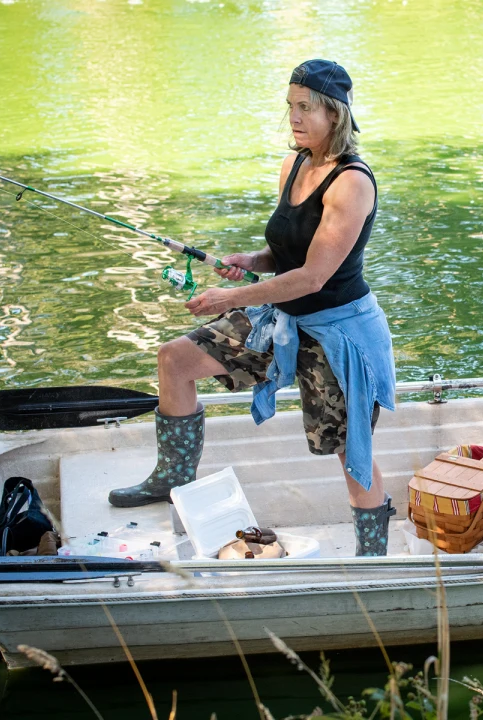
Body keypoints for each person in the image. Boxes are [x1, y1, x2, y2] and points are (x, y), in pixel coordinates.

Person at [108, 60, 397, 556]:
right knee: (175, 359)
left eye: (305, 107)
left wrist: (231, 297)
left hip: (339, 333)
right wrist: (251, 261)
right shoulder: (296, 165)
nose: (294, 117)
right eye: (290, 106)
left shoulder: (352, 182)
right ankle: (170, 478)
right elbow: (288, 256)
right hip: (284, 316)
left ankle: (374, 555)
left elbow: (314, 276)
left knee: (351, 453)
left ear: (336, 113)